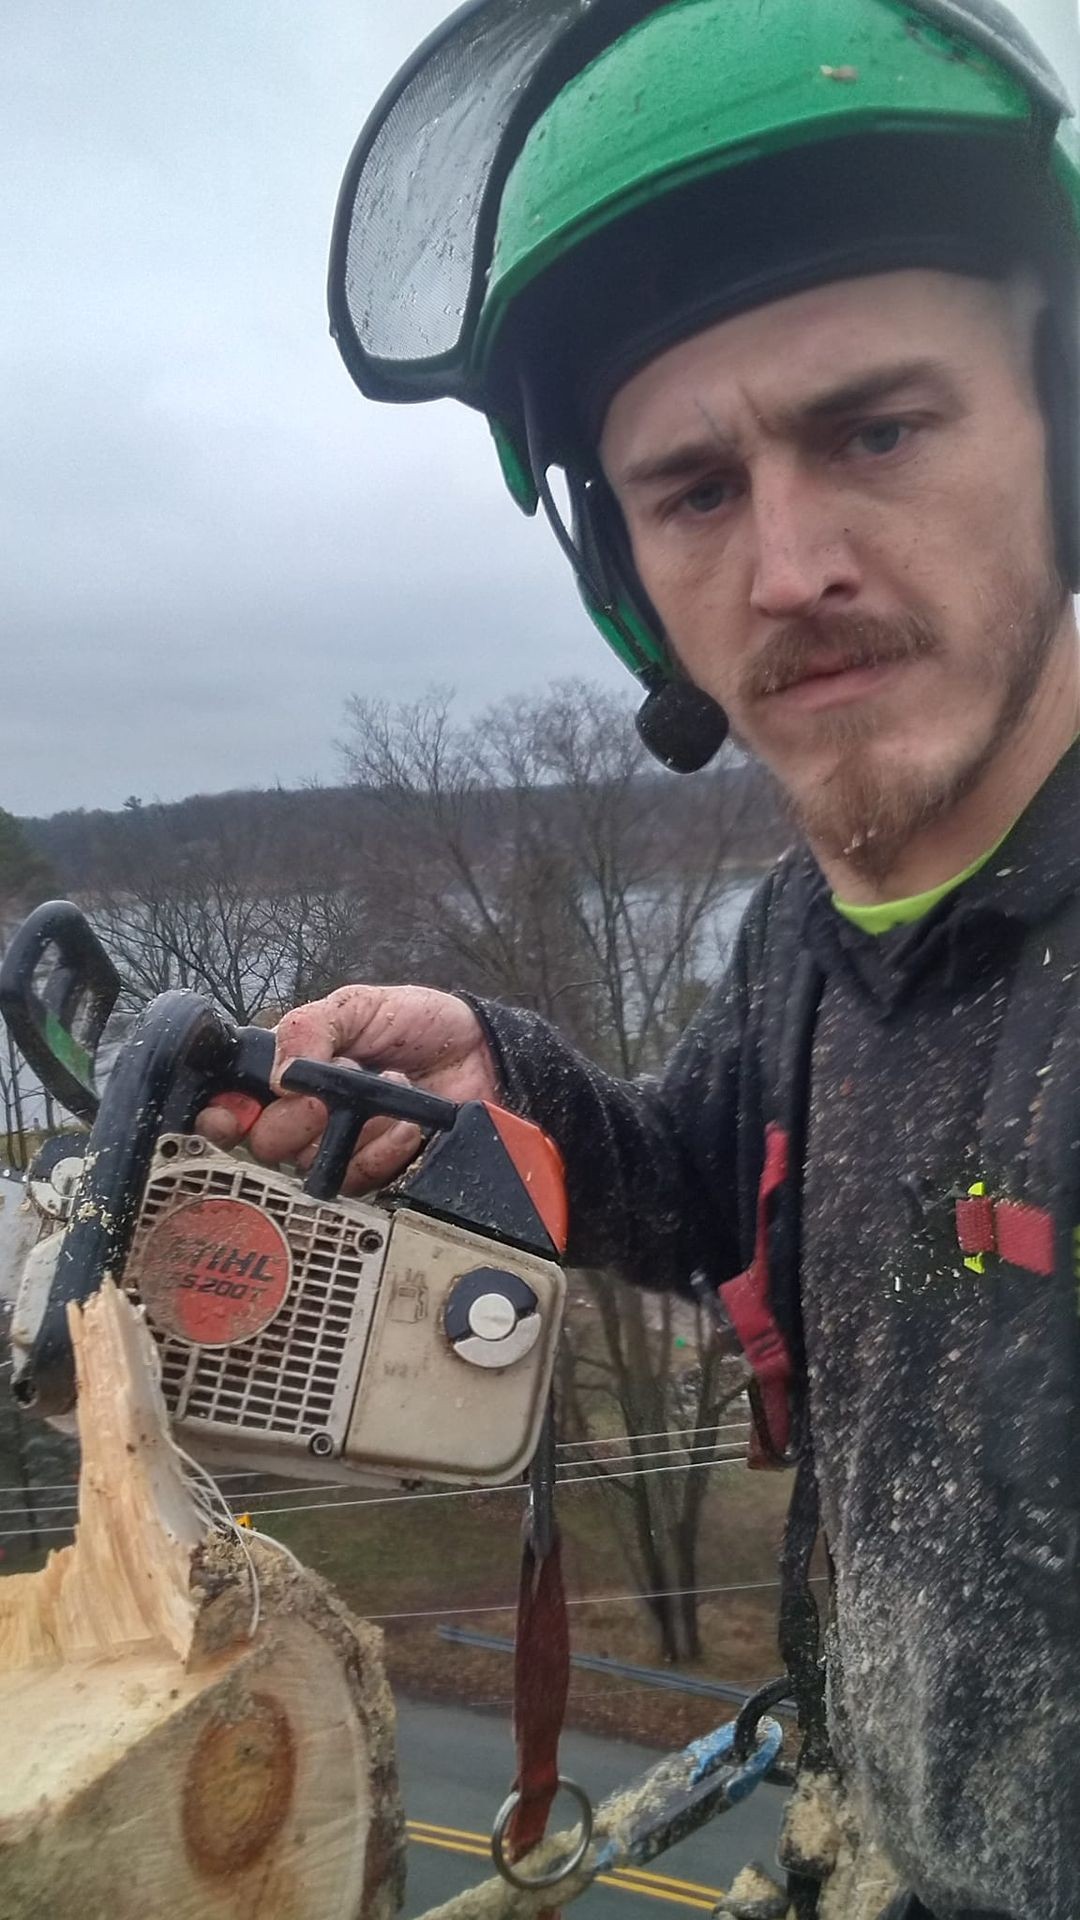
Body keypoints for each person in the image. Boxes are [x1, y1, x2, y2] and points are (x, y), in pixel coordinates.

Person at [202, 4, 1080, 1914]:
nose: (787, 566)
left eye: (879, 428)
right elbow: (711, 1171)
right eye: (696, 490)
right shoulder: (810, 937)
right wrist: (506, 1088)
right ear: (624, 580)